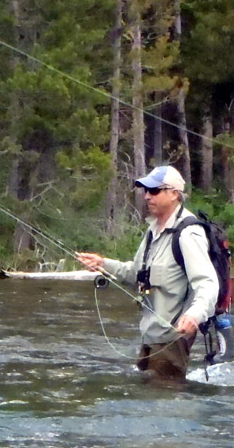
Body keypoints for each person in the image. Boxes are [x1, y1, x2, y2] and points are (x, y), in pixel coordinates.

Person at [76, 165, 218, 384]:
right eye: (145, 190)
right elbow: (135, 273)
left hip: (172, 340)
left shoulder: (188, 234)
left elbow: (208, 284)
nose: (147, 196)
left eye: (154, 190)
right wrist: (103, 264)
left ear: (174, 194)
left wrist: (194, 315)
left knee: (162, 399)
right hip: (150, 338)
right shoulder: (153, 231)